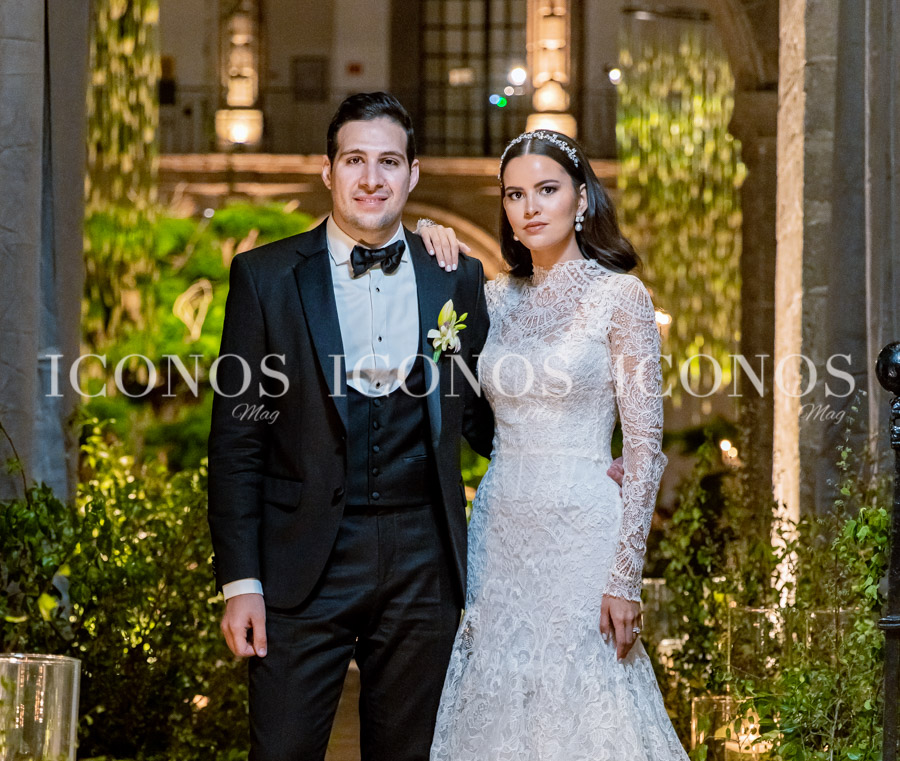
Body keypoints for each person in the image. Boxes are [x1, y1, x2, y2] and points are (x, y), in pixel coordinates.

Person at [207, 91, 495, 761]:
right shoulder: (265, 277)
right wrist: (241, 582)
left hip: (423, 564)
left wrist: (575, 455)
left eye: (389, 161)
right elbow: (238, 442)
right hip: (299, 562)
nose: (372, 178)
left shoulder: (456, 277)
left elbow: (482, 417)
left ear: (413, 174)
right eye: (354, 160)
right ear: (327, 170)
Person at [428, 130, 689, 760]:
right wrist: (431, 240)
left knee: (588, 707)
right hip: (499, 531)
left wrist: (625, 577)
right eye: (514, 194)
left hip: (582, 534)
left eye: (547, 189)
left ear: (582, 199)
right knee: (499, 706)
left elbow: (645, 446)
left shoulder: (621, 296)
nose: (530, 207)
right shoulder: (491, 298)